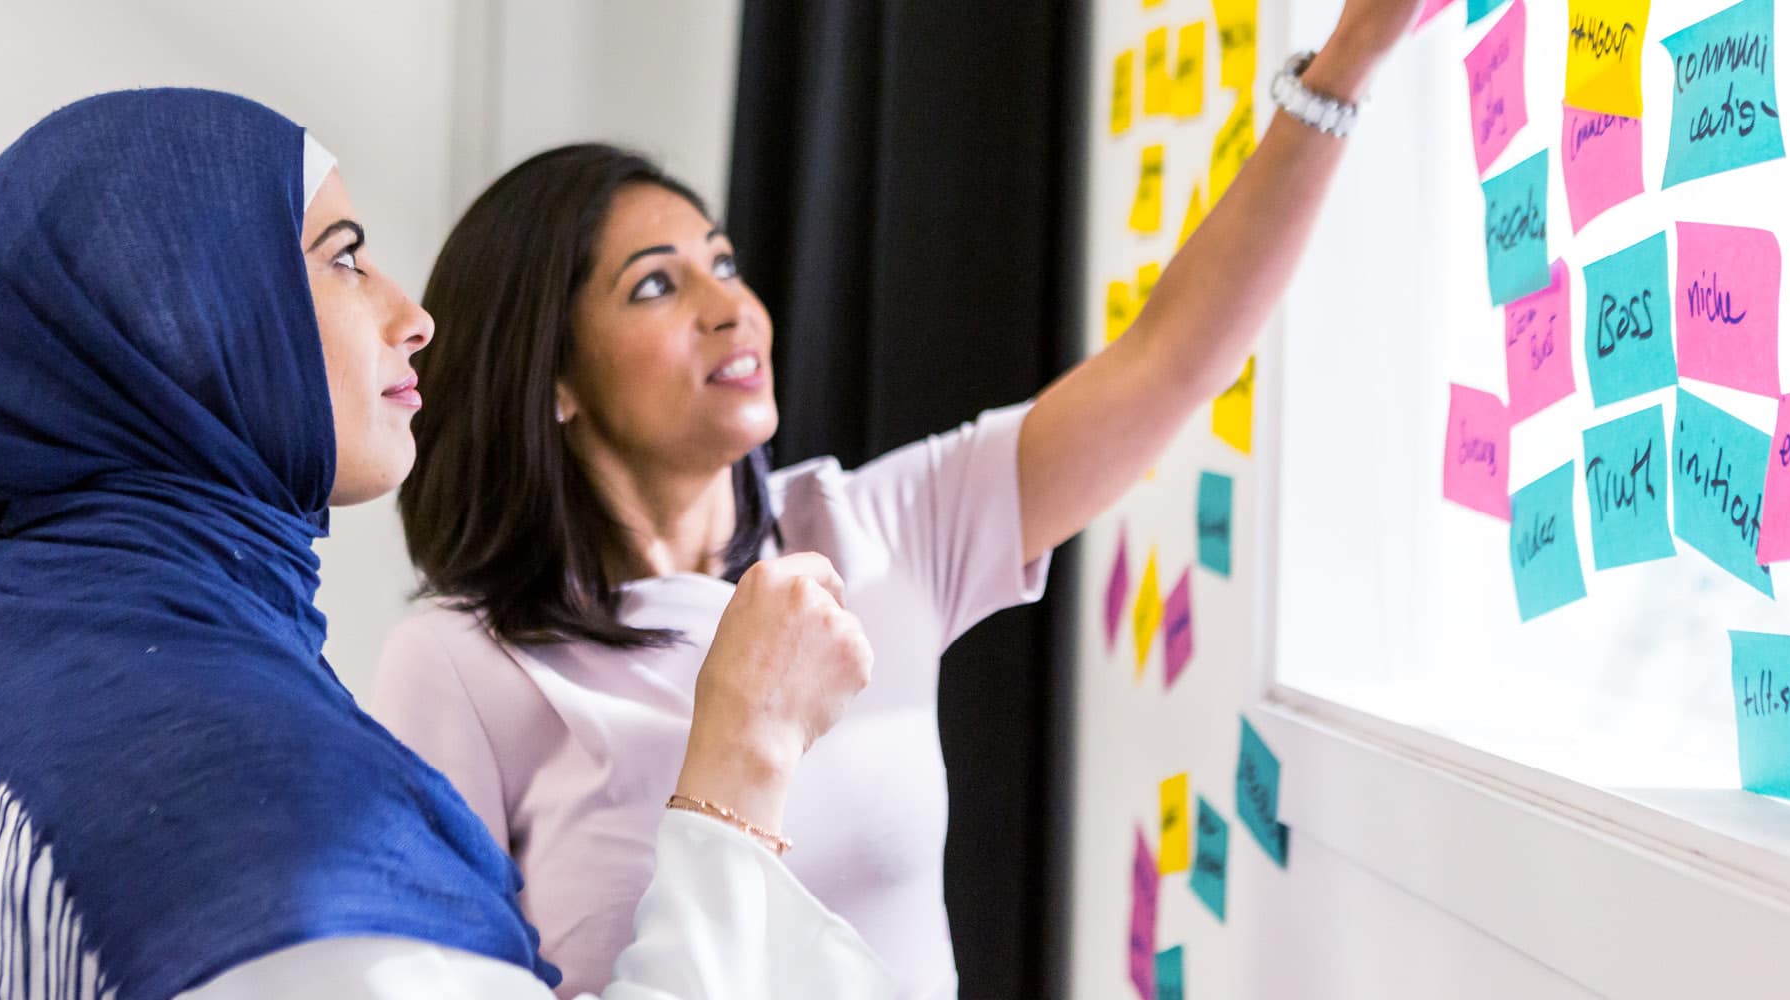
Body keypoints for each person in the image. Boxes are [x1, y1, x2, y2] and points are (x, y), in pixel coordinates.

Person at [372, 0, 1426, 994]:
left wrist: (1345, 64)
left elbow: (1170, 362)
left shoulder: (876, 531)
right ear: (548, 375)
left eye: (723, 262)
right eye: (656, 283)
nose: (727, 305)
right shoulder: (461, 661)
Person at [0, 88, 895, 1000]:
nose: (415, 315)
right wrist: (739, 761)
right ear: (193, 320)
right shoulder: (271, 808)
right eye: (343, 258)